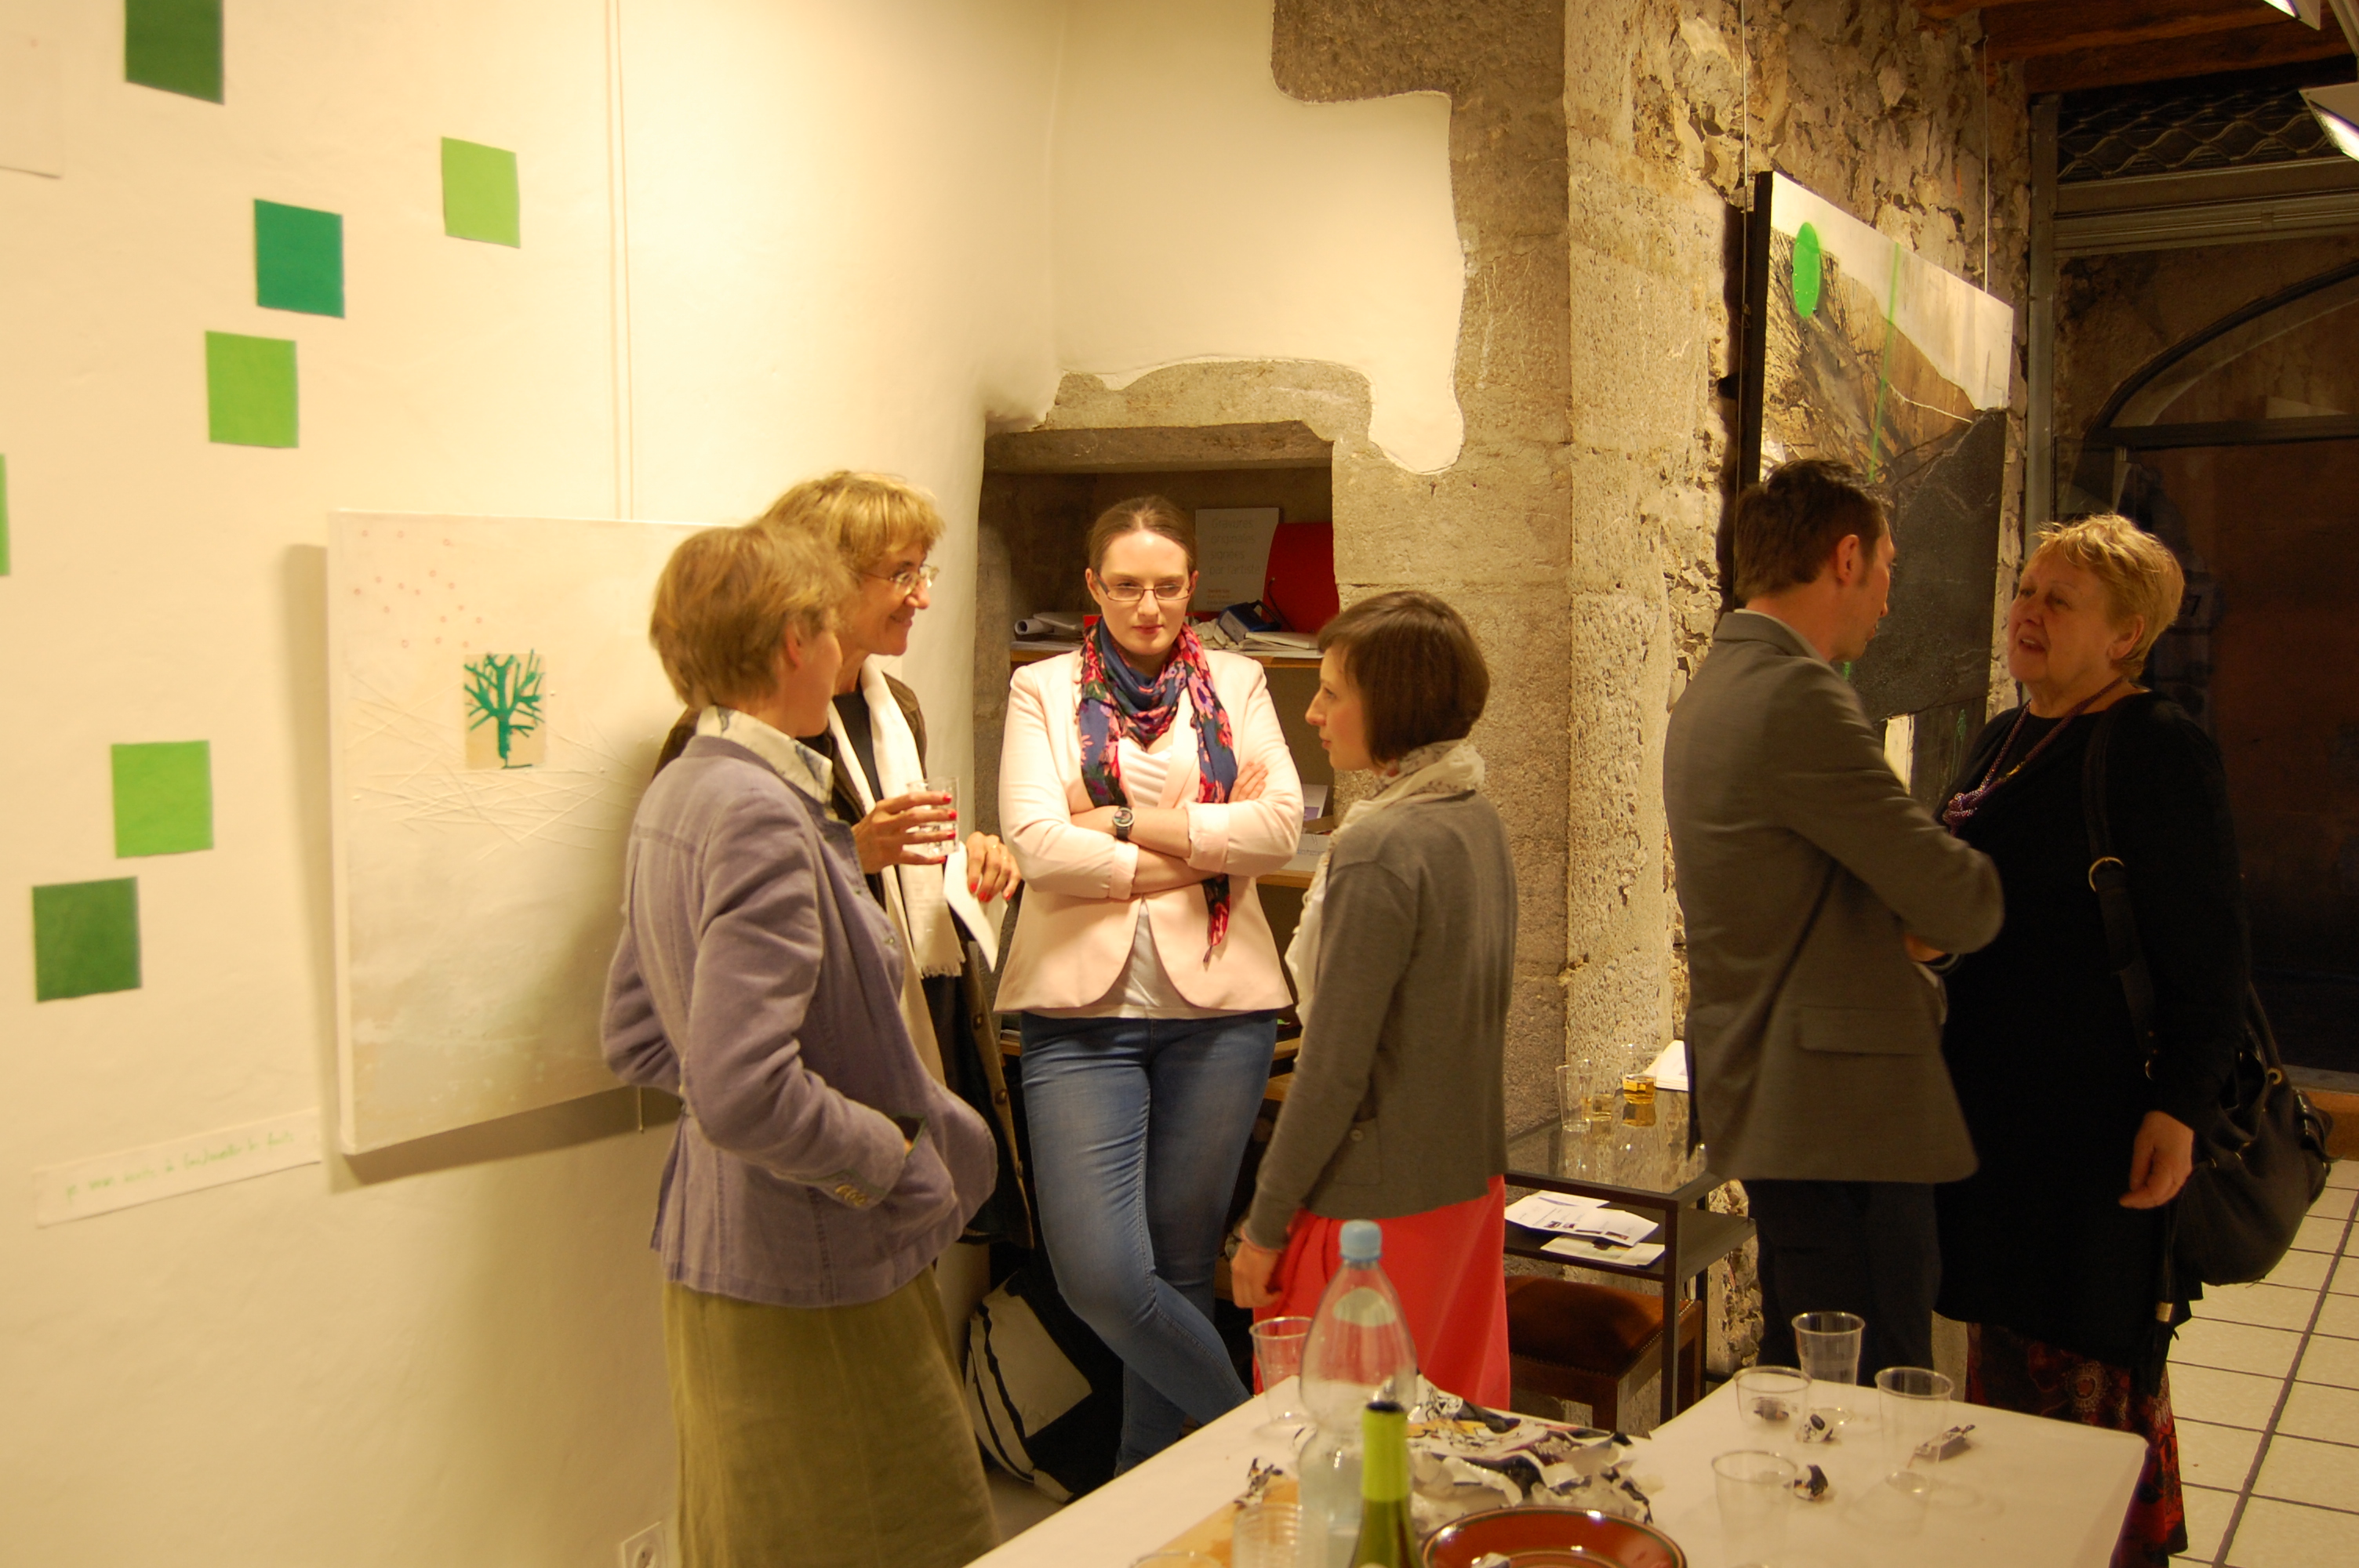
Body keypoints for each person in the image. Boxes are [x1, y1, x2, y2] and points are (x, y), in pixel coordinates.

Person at [604, 521, 999, 1568]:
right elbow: (740, 1091)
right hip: (814, 1271)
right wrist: (888, 1155)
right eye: (830, 627)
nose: (840, 650)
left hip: (731, 1253)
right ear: (794, 641)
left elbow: (637, 1032)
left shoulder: (684, 790)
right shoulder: (758, 812)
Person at [1935, 515, 2241, 1567]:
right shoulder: (2003, 734)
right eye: (2027, 589)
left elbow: (2210, 952)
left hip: (2094, 1127)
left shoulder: (2154, 747)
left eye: (2058, 600)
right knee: (2002, 1353)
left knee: (2087, 1365)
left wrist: (2179, 1109)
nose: (2027, 611)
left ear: (2125, 636)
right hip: (1995, 1120)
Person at [1663, 458, 2003, 1377]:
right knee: (1867, 1387)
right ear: (1845, 557)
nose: (1888, 598)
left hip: (1778, 1087)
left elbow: (1803, 888)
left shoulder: (1718, 682)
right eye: (1888, 566)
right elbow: (1959, 899)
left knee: (1813, 1369)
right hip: (1837, 1106)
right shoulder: (1797, 694)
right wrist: (1925, 907)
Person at [996, 495, 1304, 1468]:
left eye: (1167, 586)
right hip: (1077, 1013)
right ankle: (1268, 1443)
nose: (1147, 606)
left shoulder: (1239, 680)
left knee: (1176, 1268)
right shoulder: (1041, 688)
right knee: (1100, 1276)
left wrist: (1119, 824)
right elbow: (1035, 844)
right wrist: (1204, 850)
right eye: (1126, 585)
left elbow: (1278, 829)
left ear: (1192, 586)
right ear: (1092, 586)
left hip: (1221, 1011)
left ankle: (1149, 1499)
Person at [659, 470, 1031, 1245]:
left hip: (915, 1024)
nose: (921, 596)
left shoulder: (897, 706)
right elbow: (702, 934)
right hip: (823, 1084)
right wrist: (852, 852)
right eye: (901, 573)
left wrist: (965, 860)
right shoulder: (729, 733)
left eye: (923, 571)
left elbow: (899, 873)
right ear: (822, 579)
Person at [1229, 591, 1516, 1408]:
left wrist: (1263, 1225)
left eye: (1331, 692)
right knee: (1447, 1430)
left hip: (1376, 1210)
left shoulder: (1381, 845)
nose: (1313, 712)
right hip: (1466, 1185)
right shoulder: (1473, 817)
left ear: (1391, 703)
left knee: (1342, 1437)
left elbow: (1331, 1070)